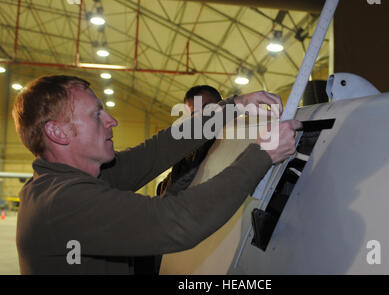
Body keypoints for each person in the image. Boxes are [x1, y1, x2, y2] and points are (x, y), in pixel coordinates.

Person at [12, 75, 301, 274]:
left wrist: (234, 107)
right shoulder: (61, 202)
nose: (112, 121)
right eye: (95, 114)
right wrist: (263, 154)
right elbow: (177, 221)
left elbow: (158, 150)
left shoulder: (87, 177)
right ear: (57, 132)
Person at [156, 85, 222, 197]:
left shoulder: (235, 137)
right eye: (195, 114)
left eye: (207, 108)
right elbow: (168, 189)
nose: (202, 116)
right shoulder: (190, 150)